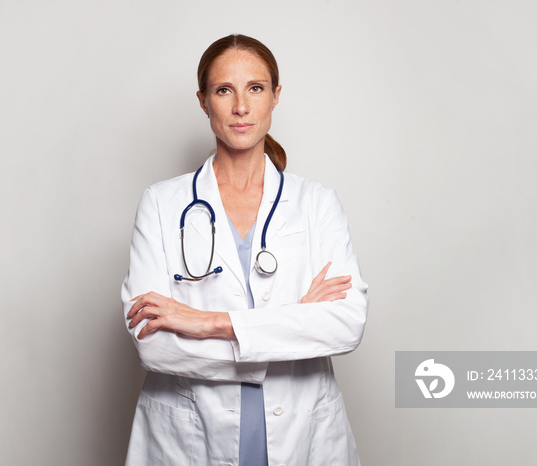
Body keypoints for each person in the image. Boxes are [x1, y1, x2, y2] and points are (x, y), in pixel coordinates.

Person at [122, 34, 369, 466]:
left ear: (275, 96)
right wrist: (294, 325)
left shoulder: (317, 203)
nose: (241, 107)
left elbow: (345, 324)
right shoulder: (161, 204)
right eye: (223, 90)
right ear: (203, 101)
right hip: (190, 436)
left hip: (303, 434)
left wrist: (207, 323)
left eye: (255, 88)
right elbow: (153, 345)